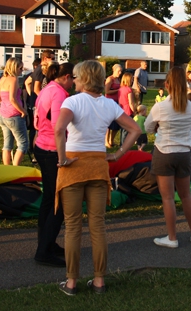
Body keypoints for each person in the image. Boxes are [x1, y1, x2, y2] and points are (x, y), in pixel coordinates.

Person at [53, 60, 140, 296]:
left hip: (73, 165)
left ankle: (71, 282)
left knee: (72, 227)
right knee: (97, 226)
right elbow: (135, 129)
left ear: (83, 78)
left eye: (75, 77)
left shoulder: (72, 101)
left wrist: (62, 159)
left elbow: (59, 129)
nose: (74, 80)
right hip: (98, 165)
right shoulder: (109, 105)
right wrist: (118, 153)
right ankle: (99, 280)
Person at [146, 66, 191, 248]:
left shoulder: (160, 107)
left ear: (168, 85)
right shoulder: (189, 106)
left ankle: (172, 238)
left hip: (164, 153)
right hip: (184, 153)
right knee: (186, 195)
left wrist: (158, 128)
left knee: (168, 198)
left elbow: (147, 127)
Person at [32, 62, 75, 267]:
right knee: (59, 201)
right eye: (73, 79)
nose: (74, 83)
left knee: (49, 199)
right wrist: (62, 156)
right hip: (51, 150)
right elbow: (60, 126)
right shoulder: (59, 94)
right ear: (66, 76)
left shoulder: (47, 88)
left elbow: (38, 117)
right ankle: (43, 251)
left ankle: (46, 243)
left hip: (42, 144)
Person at [0, 57, 28, 166]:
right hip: (14, 116)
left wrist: (5, 105)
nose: (22, 70)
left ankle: (6, 169)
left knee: (7, 144)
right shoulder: (13, 80)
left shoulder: (2, 79)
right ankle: (15, 168)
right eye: (20, 68)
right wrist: (23, 111)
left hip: (2, 115)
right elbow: (12, 99)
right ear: (14, 67)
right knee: (23, 144)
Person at [23, 57, 41, 158]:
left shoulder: (31, 76)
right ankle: (32, 148)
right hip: (34, 104)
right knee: (35, 129)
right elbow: (25, 87)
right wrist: (29, 98)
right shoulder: (32, 75)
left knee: (34, 128)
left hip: (33, 103)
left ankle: (32, 148)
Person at [104, 63, 123, 149]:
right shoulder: (109, 79)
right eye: (118, 71)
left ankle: (112, 140)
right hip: (109, 102)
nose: (120, 73)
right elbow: (107, 91)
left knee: (116, 123)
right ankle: (106, 141)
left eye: (121, 71)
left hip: (117, 102)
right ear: (114, 70)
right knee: (108, 123)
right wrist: (118, 90)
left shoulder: (118, 79)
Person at [118, 72, 136, 144]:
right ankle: (124, 144)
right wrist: (134, 112)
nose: (132, 81)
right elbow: (131, 102)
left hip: (121, 110)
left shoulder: (120, 89)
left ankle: (121, 143)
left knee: (122, 129)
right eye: (131, 79)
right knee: (127, 130)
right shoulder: (129, 90)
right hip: (128, 111)